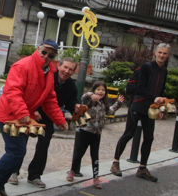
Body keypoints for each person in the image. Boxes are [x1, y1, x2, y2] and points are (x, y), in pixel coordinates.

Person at [0, 39, 68, 196]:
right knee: (16, 152)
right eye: (44, 52)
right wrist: (22, 113)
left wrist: (60, 120)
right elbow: (12, 90)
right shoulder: (22, 65)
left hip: (24, 118)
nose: (47, 56)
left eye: (51, 55)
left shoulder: (49, 74)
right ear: (38, 49)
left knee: (17, 152)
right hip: (9, 115)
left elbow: (49, 100)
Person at [9, 57, 78, 188]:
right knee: (20, 142)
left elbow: (70, 101)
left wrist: (75, 106)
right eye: (65, 67)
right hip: (32, 111)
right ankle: (13, 171)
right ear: (59, 66)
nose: (67, 71)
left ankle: (34, 175)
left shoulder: (71, 85)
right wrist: (33, 110)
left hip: (48, 117)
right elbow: (32, 92)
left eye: (70, 69)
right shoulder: (48, 76)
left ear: (73, 72)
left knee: (43, 145)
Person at [110, 43, 170, 182]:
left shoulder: (164, 71)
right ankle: (115, 163)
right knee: (129, 133)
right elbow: (140, 87)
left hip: (150, 107)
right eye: (160, 52)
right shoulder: (146, 67)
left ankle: (142, 168)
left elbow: (160, 91)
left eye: (164, 53)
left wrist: (160, 107)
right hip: (137, 105)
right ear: (155, 53)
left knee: (149, 137)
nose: (162, 55)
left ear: (167, 56)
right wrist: (154, 97)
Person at [67, 81, 125, 188]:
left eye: (103, 90)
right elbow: (83, 97)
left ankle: (96, 176)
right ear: (94, 90)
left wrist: (118, 103)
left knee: (95, 155)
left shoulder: (104, 104)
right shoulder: (88, 101)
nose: (100, 92)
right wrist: (90, 95)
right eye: (98, 89)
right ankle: (72, 171)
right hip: (84, 131)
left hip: (96, 133)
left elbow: (110, 111)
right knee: (78, 153)